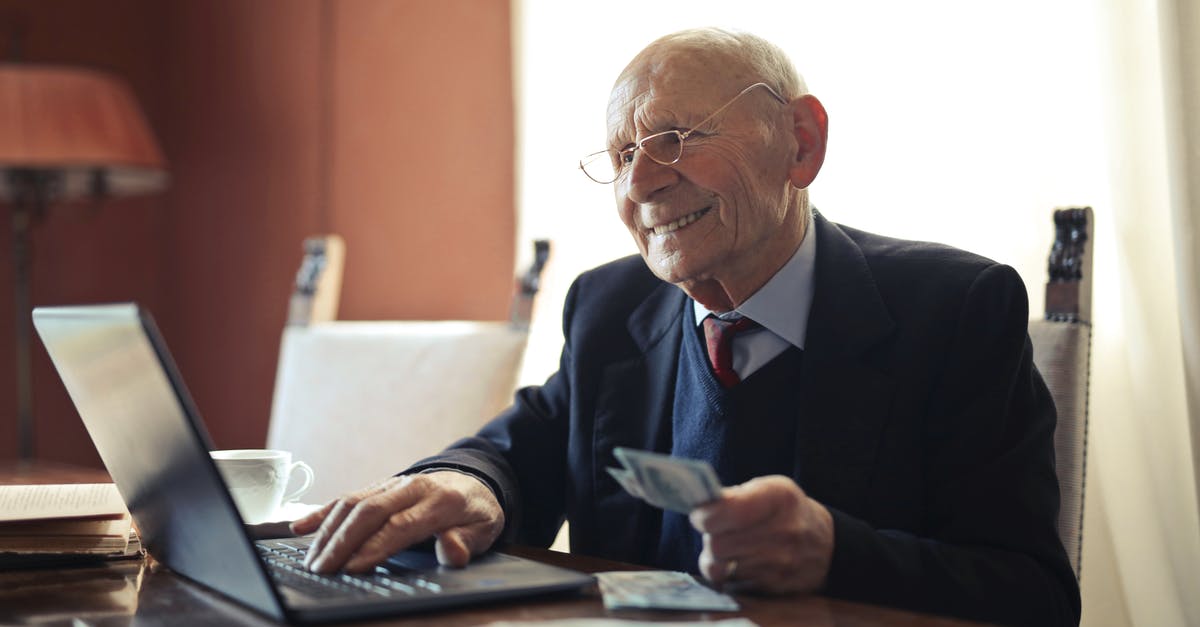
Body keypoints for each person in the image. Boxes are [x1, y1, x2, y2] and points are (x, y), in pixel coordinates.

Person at [292, 27, 1081, 626]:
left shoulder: (957, 309)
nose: (640, 181)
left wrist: (837, 551)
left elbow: (1036, 593)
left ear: (800, 144)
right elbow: (516, 448)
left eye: (674, 138)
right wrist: (467, 483)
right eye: (623, 151)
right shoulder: (610, 307)